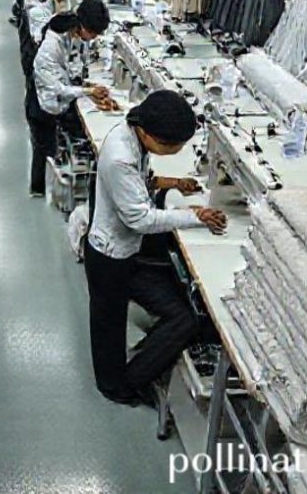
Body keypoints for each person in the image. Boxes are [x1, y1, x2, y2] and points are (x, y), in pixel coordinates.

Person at [85, 90, 228, 406]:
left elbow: (141, 182)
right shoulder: (120, 156)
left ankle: (135, 372)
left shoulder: (133, 135)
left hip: (126, 250)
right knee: (108, 326)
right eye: (172, 146)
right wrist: (194, 216)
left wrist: (174, 183)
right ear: (149, 134)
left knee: (181, 316)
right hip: (110, 255)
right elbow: (141, 219)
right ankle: (116, 387)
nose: (176, 150)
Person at [27, 0, 111, 197]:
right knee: (43, 148)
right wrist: (88, 92)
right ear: (81, 26)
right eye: (93, 33)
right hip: (42, 102)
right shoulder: (50, 47)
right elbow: (58, 89)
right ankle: (37, 190)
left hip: (56, 97)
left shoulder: (71, 32)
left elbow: (73, 65)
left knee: (53, 143)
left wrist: (86, 84)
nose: (93, 38)